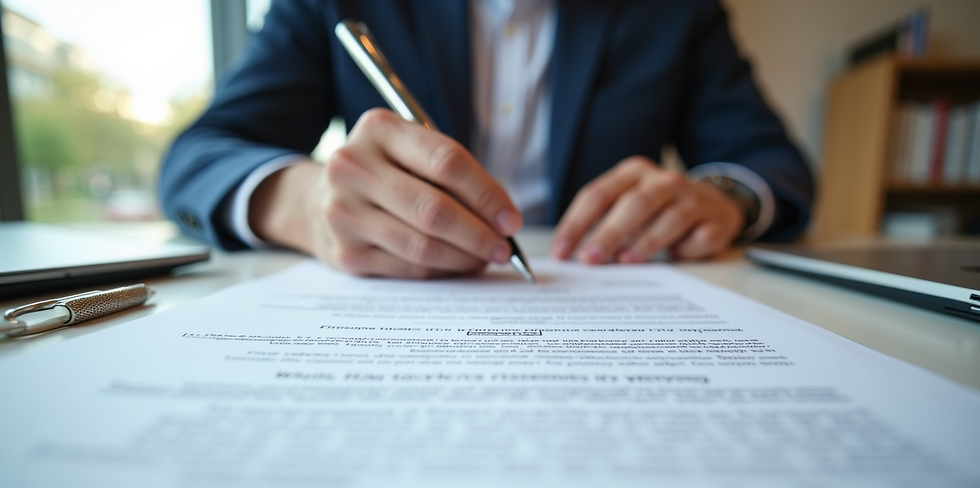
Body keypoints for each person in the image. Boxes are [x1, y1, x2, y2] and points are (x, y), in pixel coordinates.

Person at [160, 0, 814, 279]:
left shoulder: (676, 9)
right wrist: (304, 203)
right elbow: (201, 154)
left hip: (608, 284)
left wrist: (726, 196)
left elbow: (771, 162)